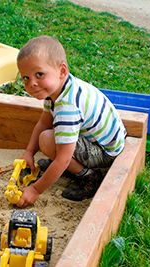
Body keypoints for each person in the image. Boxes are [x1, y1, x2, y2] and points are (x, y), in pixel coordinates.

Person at [16, 35, 127, 208]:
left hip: (106, 151)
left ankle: (88, 177)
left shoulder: (67, 106)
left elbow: (63, 160)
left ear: (62, 71)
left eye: (39, 74)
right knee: (49, 135)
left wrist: (35, 190)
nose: (32, 84)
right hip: (99, 139)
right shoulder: (56, 88)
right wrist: (29, 152)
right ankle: (74, 169)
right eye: (26, 78)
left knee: (47, 140)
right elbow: (43, 123)